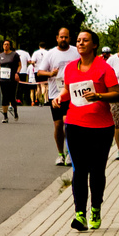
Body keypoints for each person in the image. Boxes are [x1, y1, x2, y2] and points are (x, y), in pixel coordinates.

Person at [61, 29, 119, 231]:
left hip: (101, 127)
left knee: (96, 171)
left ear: (94, 45)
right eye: (78, 40)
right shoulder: (70, 68)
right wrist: (58, 98)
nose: (80, 43)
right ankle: (80, 214)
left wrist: (100, 96)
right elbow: (67, 90)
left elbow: (117, 94)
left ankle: (95, 208)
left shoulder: (104, 68)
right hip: (75, 124)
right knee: (79, 171)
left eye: (85, 40)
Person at [39, 28, 81, 165]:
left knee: (69, 123)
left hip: (73, 93)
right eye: (61, 37)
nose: (64, 39)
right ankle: (60, 154)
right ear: (57, 38)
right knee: (58, 124)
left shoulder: (76, 51)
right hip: (55, 93)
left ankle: (70, 153)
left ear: (70, 38)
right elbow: (40, 72)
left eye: (66, 37)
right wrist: (50, 74)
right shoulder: (51, 53)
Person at [0, 40, 21, 122]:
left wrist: (17, 73)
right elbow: (0, 66)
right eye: (4, 44)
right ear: (2, 46)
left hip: (12, 78)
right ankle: (5, 117)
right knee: (4, 97)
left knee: (12, 97)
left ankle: (15, 112)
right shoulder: (0, 55)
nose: (6, 45)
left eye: (7, 44)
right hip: (3, 79)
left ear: (10, 46)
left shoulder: (14, 55)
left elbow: (20, 65)